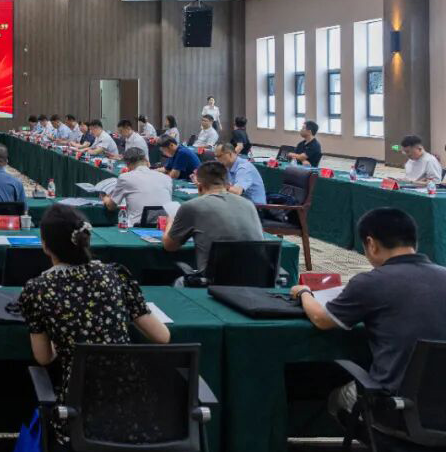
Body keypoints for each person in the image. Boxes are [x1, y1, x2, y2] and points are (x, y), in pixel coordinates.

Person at [18, 204, 170, 443]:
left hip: (78, 422)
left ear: (45, 245)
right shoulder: (116, 274)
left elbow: (44, 357)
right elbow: (162, 336)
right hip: (140, 417)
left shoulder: (37, 289)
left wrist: (65, 332)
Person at [291, 208, 446, 412]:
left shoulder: (371, 282)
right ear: (414, 242)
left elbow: (321, 319)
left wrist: (304, 293)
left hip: (396, 406)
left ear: (371, 244)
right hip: (439, 407)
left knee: (336, 398)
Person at [163, 160, 265, 269]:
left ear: (199, 187)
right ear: (228, 185)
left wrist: (170, 221)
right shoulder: (249, 205)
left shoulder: (192, 206)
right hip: (257, 275)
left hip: (214, 277)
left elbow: (170, 246)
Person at [102, 147, 172, 227]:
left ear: (127, 164)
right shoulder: (166, 178)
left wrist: (105, 198)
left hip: (136, 227)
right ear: (146, 160)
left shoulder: (125, 178)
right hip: (163, 226)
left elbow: (111, 206)